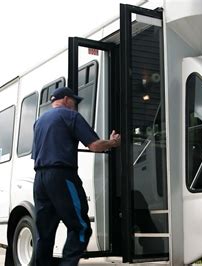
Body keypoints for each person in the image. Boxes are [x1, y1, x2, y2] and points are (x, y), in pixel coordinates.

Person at [31, 87, 120, 265]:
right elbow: (94, 145)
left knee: (45, 232)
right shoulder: (70, 116)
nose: (76, 106)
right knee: (81, 227)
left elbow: (35, 154)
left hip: (40, 179)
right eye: (74, 101)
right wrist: (113, 142)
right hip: (62, 176)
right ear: (65, 99)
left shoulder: (39, 121)